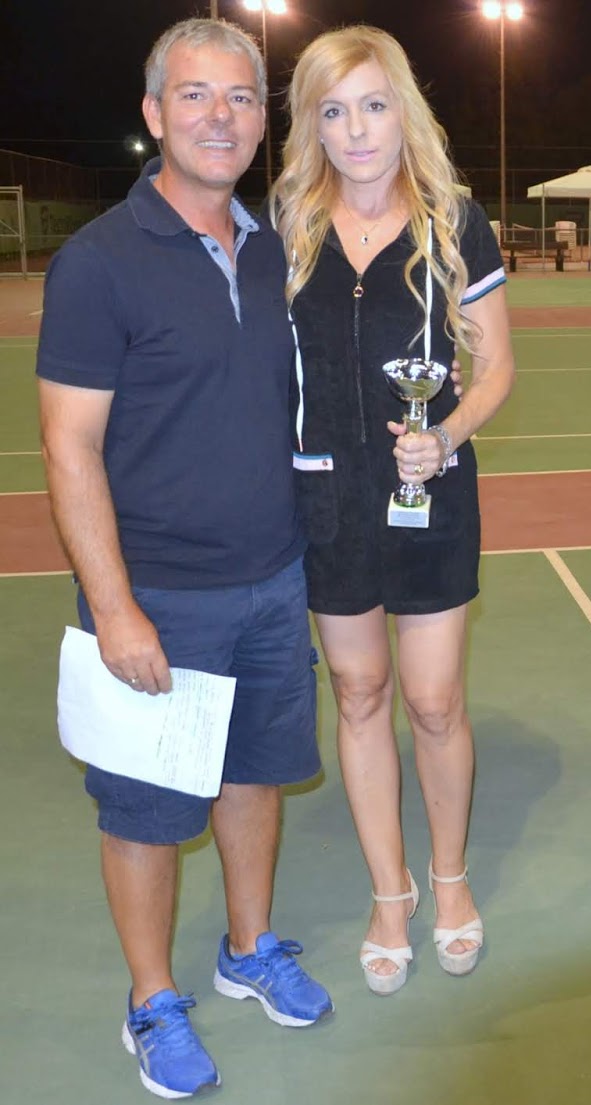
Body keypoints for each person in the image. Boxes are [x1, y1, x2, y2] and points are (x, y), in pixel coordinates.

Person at [36, 18, 331, 1098]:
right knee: (148, 811)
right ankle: (152, 998)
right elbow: (69, 447)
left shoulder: (275, 248)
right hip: (157, 594)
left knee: (254, 777)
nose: (221, 117)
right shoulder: (98, 263)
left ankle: (249, 947)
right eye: (196, 96)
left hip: (274, 581)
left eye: (242, 98)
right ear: (155, 115)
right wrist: (115, 607)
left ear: (261, 119)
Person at [270, 26, 514, 990]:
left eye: (373, 105)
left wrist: (444, 436)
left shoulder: (455, 220)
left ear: (401, 110)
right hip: (326, 498)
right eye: (333, 111)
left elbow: (495, 369)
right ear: (313, 125)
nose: (357, 130)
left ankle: (450, 879)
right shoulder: (288, 224)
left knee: (434, 699)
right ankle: (390, 891)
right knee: (359, 692)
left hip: (431, 496)